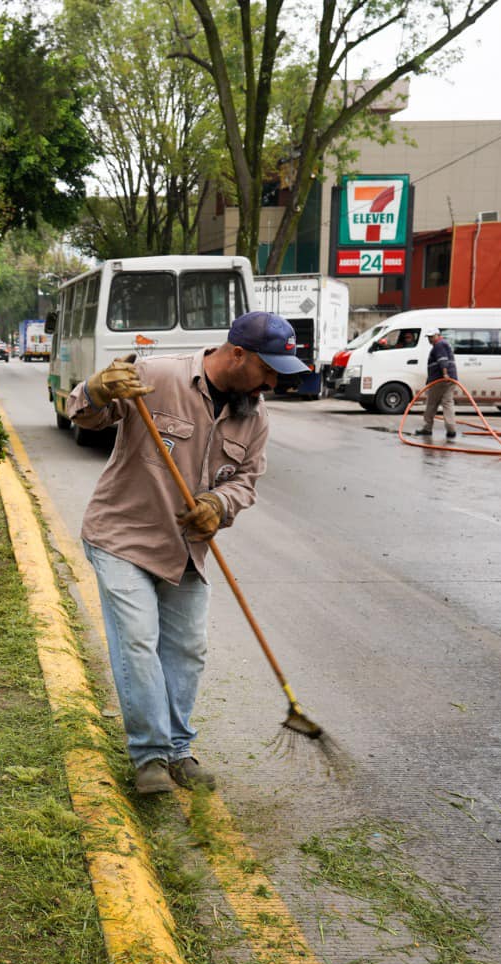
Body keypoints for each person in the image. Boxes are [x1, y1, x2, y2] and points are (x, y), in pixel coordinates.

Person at [66, 311, 306, 795]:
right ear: (238, 354)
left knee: (188, 650)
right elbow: (84, 416)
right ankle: (150, 755)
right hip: (123, 537)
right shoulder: (155, 376)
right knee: (138, 641)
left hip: (188, 549)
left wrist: (218, 503)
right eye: (268, 369)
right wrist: (97, 388)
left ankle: (178, 748)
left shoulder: (254, 416)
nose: (273, 382)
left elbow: (246, 482)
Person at [414, 329, 458, 439]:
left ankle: (427, 428)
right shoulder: (444, 344)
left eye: (432, 336)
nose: (430, 339)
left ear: (438, 335)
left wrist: (445, 374)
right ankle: (451, 430)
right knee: (447, 403)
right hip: (451, 379)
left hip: (440, 379)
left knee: (431, 404)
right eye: (428, 337)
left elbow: (442, 360)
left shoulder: (439, 345)